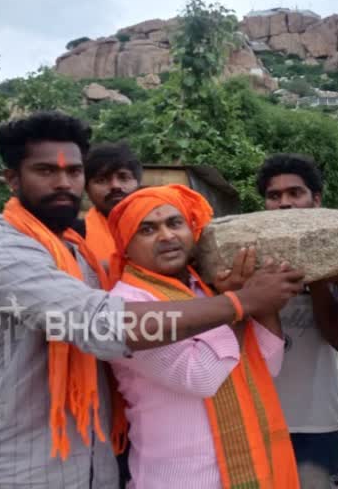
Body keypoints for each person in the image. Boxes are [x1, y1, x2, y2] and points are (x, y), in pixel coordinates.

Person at [0, 112, 304, 489]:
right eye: (45, 171)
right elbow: (99, 324)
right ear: (12, 179)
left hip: (94, 459)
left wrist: (244, 302)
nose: (63, 182)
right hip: (28, 465)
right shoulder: (5, 255)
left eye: (73, 172)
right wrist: (240, 303)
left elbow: (259, 360)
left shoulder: (77, 254)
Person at [105, 184, 299, 488]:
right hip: (178, 479)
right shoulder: (126, 305)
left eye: (174, 223)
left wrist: (262, 302)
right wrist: (242, 302)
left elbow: (269, 364)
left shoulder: (206, 289)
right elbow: (200, 377)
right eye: (147, 229)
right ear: (126, 246)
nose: (167, 236)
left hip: (251, 469)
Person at [256, 153, 338, 488]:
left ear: (315, 200)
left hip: (317, 422)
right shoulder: (246, 261)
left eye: (295, 193)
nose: (284, 204)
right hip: (259, 421)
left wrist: (318, 276)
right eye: (274, 195)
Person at [74, 141, 142, 266]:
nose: (115, 186)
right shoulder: (74, 236)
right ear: (87, 190)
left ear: (138, 183)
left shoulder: (163, 228)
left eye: (123, 177)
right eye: (101, 180)